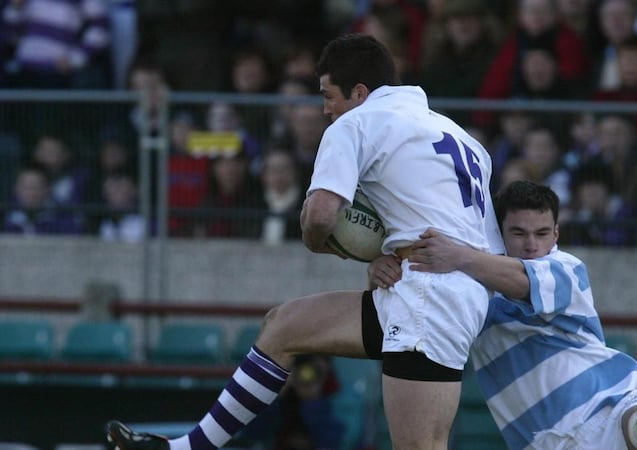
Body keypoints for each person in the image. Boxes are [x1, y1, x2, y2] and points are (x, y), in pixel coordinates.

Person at [105, 33, 503, 450]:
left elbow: (321, 215)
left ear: (360, 93)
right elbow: (472, 239)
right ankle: (186, 448)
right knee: (285, 325)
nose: (326, 108)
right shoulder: (463, 139)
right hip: (443, 291)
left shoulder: (357, 122)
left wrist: (321, 243)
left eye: (328, 95)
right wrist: (390, 256)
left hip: (428, 301)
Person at [368, 180, 637, 450]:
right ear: (498, 235)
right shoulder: (467, 290)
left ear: (556, 234)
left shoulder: (566, 268)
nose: (532, 245)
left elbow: (520, 280)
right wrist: (382, 274)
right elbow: (403, 320)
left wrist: (460, 256)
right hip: (543, 440)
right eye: (518, 233)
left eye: (541, 233)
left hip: (610, 403)